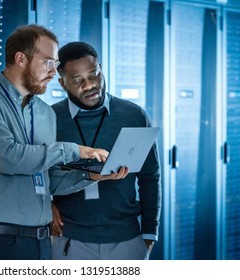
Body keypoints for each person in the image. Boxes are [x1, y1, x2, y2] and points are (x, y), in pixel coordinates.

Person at [0, 25, 127, 260]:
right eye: (49, 62)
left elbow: (48, 180)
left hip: (41, 242)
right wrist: (75, 150)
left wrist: (90, 176)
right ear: (20, 58)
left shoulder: (44, 112)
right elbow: (8, 158)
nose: (54, 72)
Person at [51, 42, 161, 260]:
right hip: (70, 241)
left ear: (101, 68)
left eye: (94, 75)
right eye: (78, 80)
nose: (90, 85)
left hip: (127, 240)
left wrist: (149, 233)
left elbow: (150, 177)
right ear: (63, 84)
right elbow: (37, 173)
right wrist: (47, 204)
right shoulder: (51, 119)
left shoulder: (133, 115)